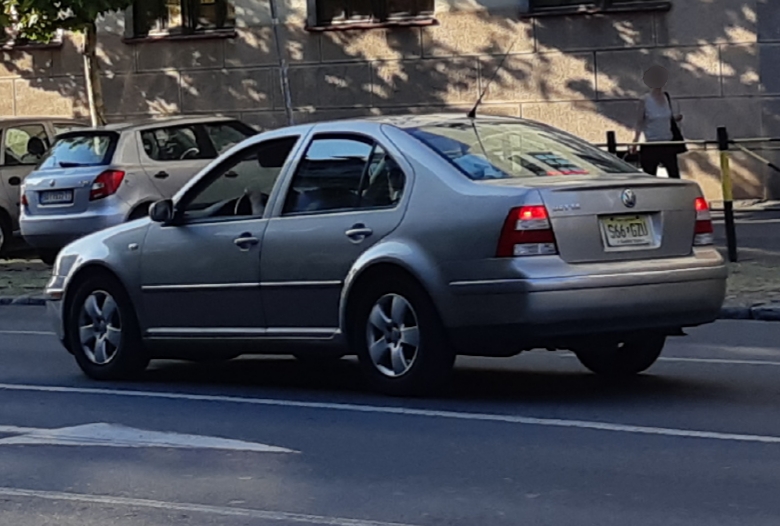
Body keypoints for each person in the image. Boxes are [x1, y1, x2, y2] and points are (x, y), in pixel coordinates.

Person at [630, 65, 684, 179]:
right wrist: (635, 141)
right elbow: (639, 122)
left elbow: (664, 117)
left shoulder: (666, 97)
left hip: (667, 144)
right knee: (650, 177)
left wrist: (675, 118)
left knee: (674, 175)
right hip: (651, 144)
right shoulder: (644, 100)